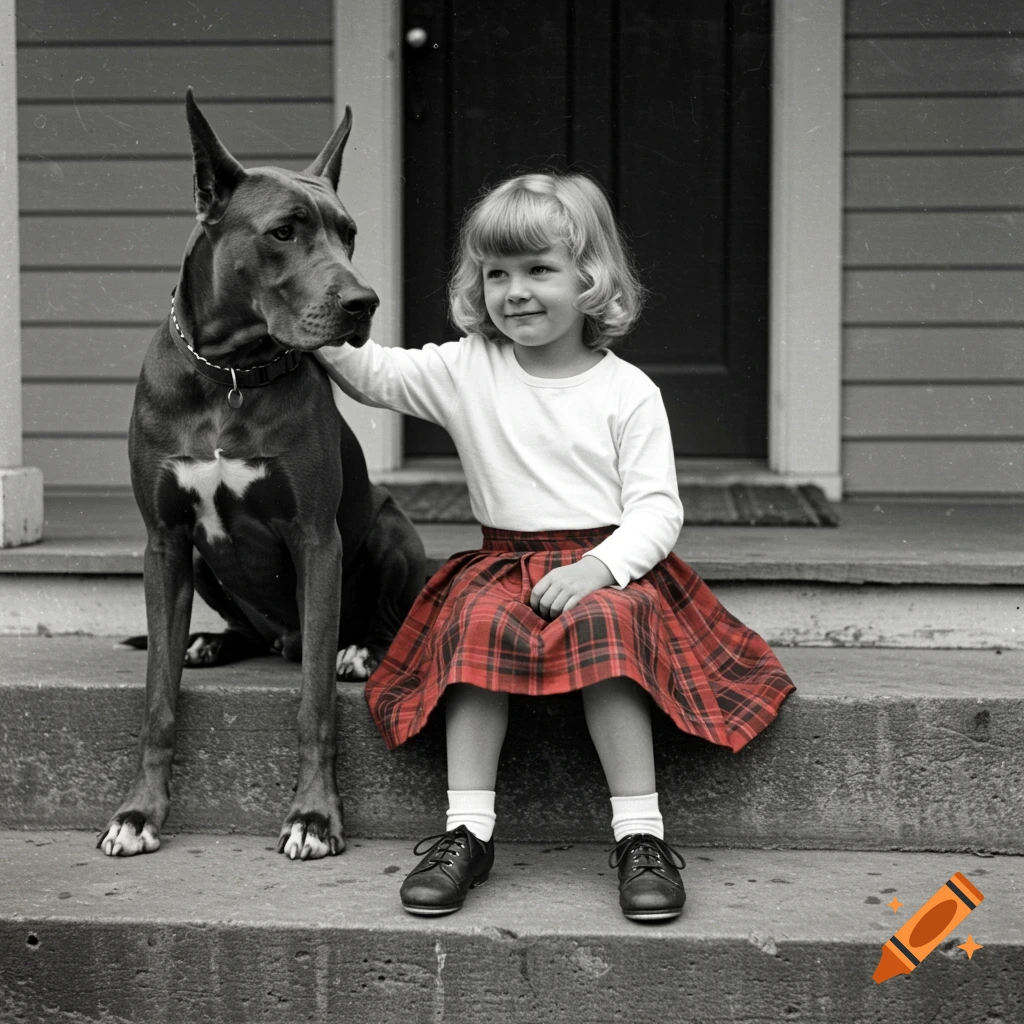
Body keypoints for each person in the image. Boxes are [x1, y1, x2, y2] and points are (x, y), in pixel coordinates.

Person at [315, 171, 795, 922]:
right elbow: (373, 371)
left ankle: (641, 835)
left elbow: (658, 511)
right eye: (496, 273)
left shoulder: (627, 391)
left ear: (590, 279)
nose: (515, 291)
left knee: (605, 625)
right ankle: (467, 830)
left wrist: (600, 569)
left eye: (539, 270)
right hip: (503, 561)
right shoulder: (468, 366)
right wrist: (306, 322)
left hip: (608, 564)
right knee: (475, 627)